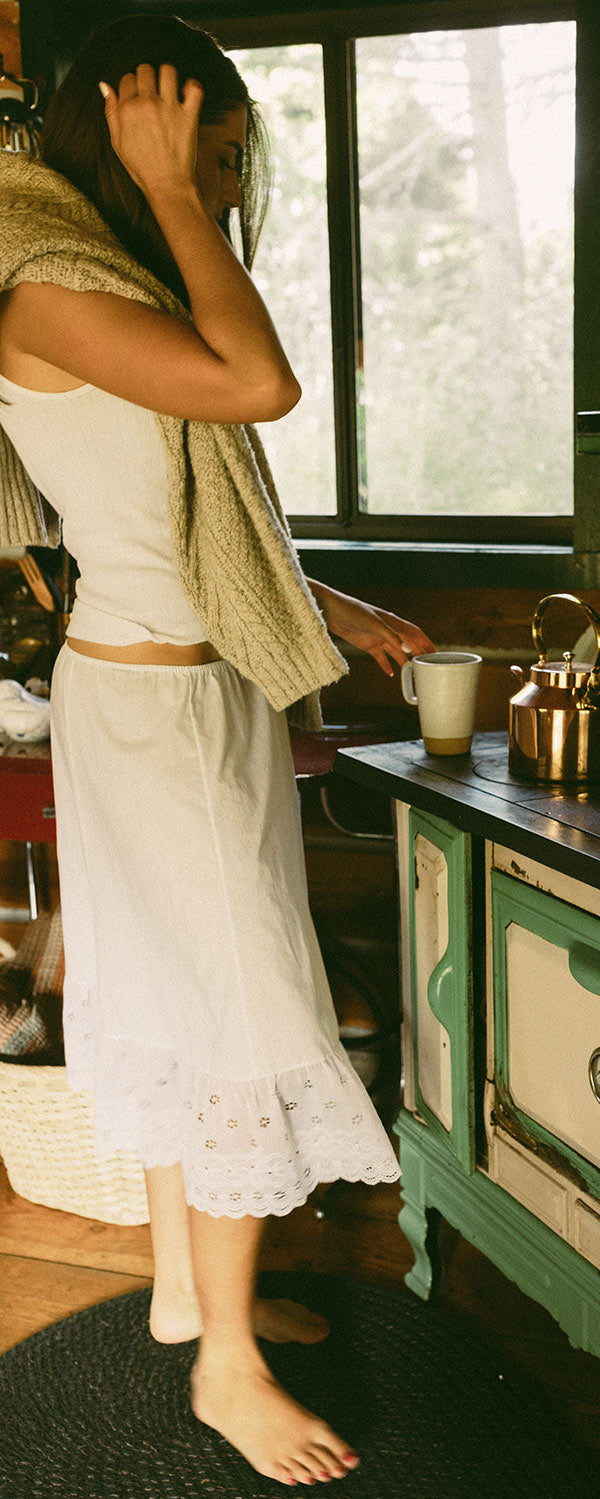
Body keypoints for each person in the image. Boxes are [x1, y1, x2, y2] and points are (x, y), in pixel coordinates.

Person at [0, 14, 435, 1488]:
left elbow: (176, 522)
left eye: (229, 150)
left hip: (188, 694)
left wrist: (336, 601)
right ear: (139, 128)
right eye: (219, 143)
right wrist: (178, 198)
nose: (235, 170)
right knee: (240, 1018)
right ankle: (226, 1375)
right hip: (159, 713)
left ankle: (196, 1295)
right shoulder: (50, 285)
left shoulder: (109, 283)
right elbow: (254, 389)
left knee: (195, 1008)